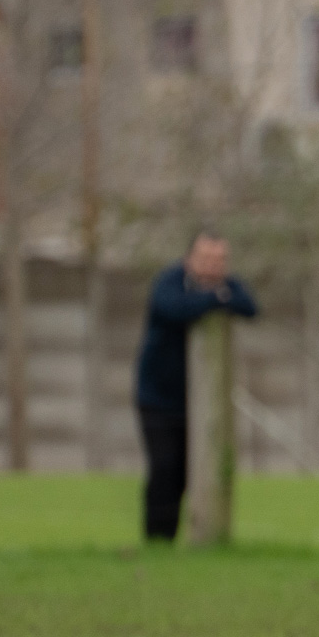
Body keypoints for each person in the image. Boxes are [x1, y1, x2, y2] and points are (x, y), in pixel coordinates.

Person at [134, 232, 258, 542]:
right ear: (189, 258)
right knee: (164, 468)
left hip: (202, 403)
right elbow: (175, 309)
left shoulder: (229, 285)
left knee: (193, 472)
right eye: (206, 259)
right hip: (159, 398)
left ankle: (202, 535)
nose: (213, 267)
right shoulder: (169, 282)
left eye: (220, 260)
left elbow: (250, 307)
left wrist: (216, 297)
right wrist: (216, 298)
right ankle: (158, 540)